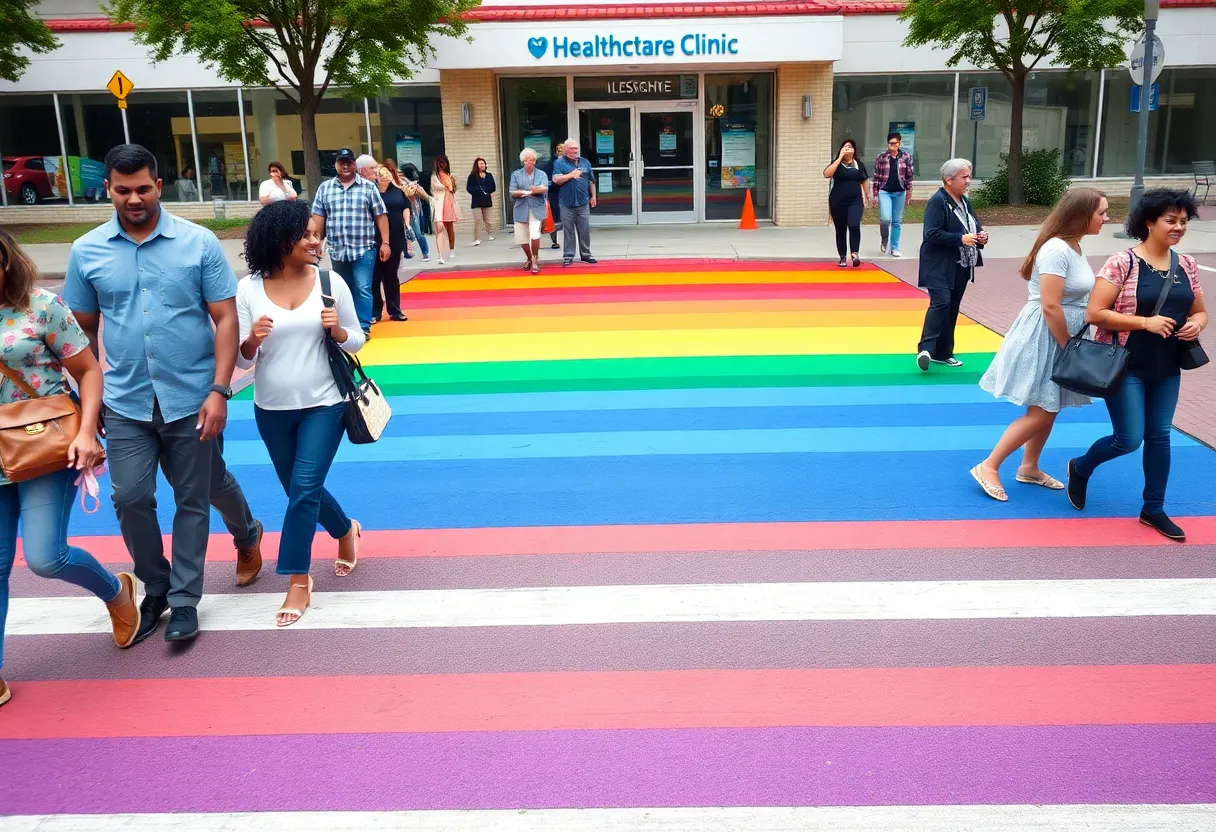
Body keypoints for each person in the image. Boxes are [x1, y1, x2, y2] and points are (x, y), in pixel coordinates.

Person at [63, 144, 264, 644]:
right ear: (107, 188)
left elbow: (224, 318)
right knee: (130, 497)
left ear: (159, 185)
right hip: (126, 400)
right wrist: (87, 401)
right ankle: (155, 585)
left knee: (194, 495)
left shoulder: (197, 243)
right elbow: (79, 334)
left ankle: (184, 598)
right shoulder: (87, 251)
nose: (134, 198)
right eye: (123, 189)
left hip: (194, 396)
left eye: (144, 188)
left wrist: (220, 390)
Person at [0, 229, 141, 708]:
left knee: (45, 557)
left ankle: (115, 592)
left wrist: (85, 432)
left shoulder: (42, 307)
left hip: (42, 445)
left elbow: (87, 370)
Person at [237, 202, 366, 625]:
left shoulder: (330, 282)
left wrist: (339, 331)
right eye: (306, 235)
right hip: (271, 407)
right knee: (298, 489)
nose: (316, 241)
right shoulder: (248, 289)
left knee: (305, 487)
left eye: (316, 234)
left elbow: (358, 340)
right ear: (280, 241)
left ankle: (297, 580)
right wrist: (251, 341)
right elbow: (240, 360)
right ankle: (345, 530)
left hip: (325, 402)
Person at [1067, 189, 1208, 541]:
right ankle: (1080, 467)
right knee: (1128, 439)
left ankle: (1154, 508)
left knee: (1160, 436)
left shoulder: (1186, 265)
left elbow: (1200, 310)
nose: (1178, 227)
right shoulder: (1122, 262)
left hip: (1168, 365)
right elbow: (1095, 313)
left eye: (1183, 221)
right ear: (1148, 221)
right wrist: (1145, 322)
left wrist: (1199, 324)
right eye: (1170, 220)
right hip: (1125, 364)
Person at [971, 188, 1108, 501]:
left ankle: (1029, 466)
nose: (1106, 219)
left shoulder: (1073, 246)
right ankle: (989, 465)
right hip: (1047, 336)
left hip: (1059, 335)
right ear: (1082, 215)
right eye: (1101, 212)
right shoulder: (1057, 249)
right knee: (1043, 409)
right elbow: (1050, 305)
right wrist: (1068, 347)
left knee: (1049, 405)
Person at [916, 158, 988, 371]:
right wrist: (960, 239)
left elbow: (973, 225)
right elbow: (931, 233)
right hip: (937, 264)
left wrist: (981, 236)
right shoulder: (938, 201)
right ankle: (925, 349)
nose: (969, 181)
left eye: (969, 176)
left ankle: (943, 352)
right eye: (964, 177)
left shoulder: (965, 202)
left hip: (961, 264)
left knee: (952, 307)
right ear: (949, 180)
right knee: (941, 302)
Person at [310, 147, 391, 339]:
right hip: (338, 250)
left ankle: (363, 327)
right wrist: (316, 243)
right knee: (343, 289)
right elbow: (318, 217)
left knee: (363, 287)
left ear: (355, 165)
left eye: (349, 162)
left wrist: (385, 242)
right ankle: (348, 324)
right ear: (336, 165)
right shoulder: (325, 188)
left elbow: (380, 215)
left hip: (364, 249)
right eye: (341, 162)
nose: (345, 166)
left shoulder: (368, 187)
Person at [372, 164, 409, 323]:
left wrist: (407, 225)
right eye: (381, 173)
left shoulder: (398, 191)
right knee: (375, 276)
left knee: (392, 276)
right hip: (375, 238)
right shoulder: (372, 192)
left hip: (396, 237)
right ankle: (375, 311)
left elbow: (405, 207)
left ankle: (395, 309)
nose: (385, 176)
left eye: (387, 173)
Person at [551, 139, 597, 267]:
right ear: (565, 150)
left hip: (583, 202)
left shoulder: (585, 162)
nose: (574, 151)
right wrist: (571, 175)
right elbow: (556, 179)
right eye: (571, 148)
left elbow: (591, 180)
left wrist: (593, 196)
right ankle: (568, 256)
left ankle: (586, 254)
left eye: (576, 148)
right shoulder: (560, 162)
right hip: (567, 203)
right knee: (568, 231)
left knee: (584, 230)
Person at [823, 139, 868, 268]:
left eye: (850, 147)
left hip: (855, 200)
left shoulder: (858, 164)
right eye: (845, 147)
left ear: (854, 150)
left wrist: (866, 195)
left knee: (854, 225)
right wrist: (839, 158)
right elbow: (826, 174)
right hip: (838, 201)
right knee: (841, 229)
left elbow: (864, 180)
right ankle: (842, 256)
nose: (847, 148)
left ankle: (855, 254)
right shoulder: (837, 164)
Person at [871, 131, 914, 257]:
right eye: (890, 143)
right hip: (884, 191)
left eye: (894, 143)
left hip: (900, 192)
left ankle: (894, 247)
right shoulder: (881, 157)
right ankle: (885, 239)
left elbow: (909, 176)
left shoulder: (906, 156)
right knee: (885, 218)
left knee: (897, 221)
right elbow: (876, 177)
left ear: (899, 143)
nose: (892, 146)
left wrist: (909, 192)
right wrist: (875, 195)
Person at [510, 148, 549, 275]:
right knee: (522, 238)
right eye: (527, 160)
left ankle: (535, 259)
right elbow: (513, 191)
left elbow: (544, 189)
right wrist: (527, 191)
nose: (530, 162)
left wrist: (535, 190)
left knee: (534, 235)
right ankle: (529, 257)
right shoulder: (516, 174)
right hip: (521, 209)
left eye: (532, 160)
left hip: (536, 208)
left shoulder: (542, 174)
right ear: (523, 162)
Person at [430, 155, 461, 265]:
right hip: (439, 203)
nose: (443, 165)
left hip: (449, 202)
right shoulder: (434, 177)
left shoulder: (450, 176)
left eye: (444, 162)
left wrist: (450, 183)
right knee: (440, 227)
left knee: (449, 227)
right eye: (440, 163)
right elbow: (434, 188)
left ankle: (452, 249)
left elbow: (453, 188)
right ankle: (440, 256)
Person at [402, 163, 431, 262]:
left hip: (413, 211)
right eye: (413, 172)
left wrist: (417, 189)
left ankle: (425, 253)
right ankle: (408, 252)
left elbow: (425, 196)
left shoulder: (415, 184)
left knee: (418, 233)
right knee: (405, 233)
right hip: (404, 210)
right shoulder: (402, 183)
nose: (415, 174)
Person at [467, 157, 497, 245]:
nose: (482, 165)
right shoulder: (472, 176)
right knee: (477, 220)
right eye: (480, 164)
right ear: (476, 165)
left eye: (483, 163)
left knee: (488, 219)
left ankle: (490, 234)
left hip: (487, 200)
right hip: (476, 201)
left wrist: (486, 190)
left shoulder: (489, 175)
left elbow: (493, 187)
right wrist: (479, 190)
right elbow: (469, 188)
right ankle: (477, 238)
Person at [543, 143, 565, 249]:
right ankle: (554, 241)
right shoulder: (550, 164)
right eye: (558, 149)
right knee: (554, 219)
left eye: (562, 148)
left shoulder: (572, 163)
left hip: (568, 193)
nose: (560, 150)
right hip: (554, 194)